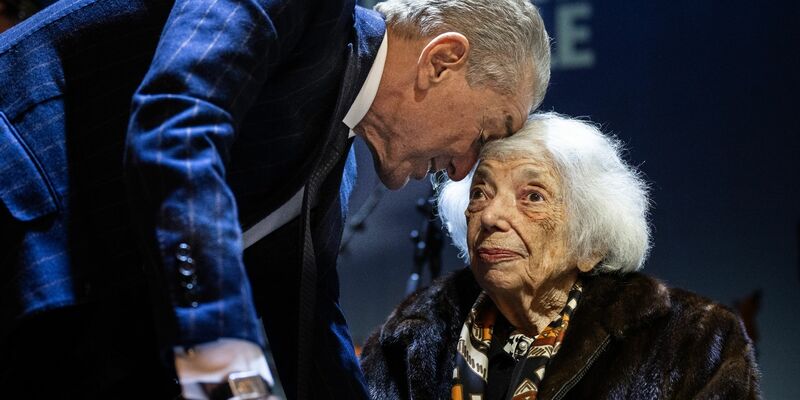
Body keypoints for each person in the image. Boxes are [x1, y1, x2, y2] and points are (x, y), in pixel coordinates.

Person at [0, 0, 549, 398]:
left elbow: (309, 328)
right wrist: (226, 369)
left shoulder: (333, 161)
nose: (461, 171)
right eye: (485, 132)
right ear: (441, 60)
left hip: (72, 324)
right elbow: (177, 128)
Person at [360, 113, 761, 399]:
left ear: (591, 244)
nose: (492, 216)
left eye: (532, 197)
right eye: (481, 192)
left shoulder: (690, 343)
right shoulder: (410, 341)